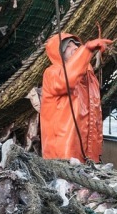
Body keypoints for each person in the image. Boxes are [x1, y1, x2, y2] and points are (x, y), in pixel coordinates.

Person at [40, 32, 112, 162]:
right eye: (68, 46)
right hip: (62, 153)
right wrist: (86, 49)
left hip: (88, 153)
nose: (74, 48)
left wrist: (96, 152)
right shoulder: (52, 73)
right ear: (59, 53)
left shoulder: (89, 76)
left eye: (76, 45)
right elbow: (66, 81)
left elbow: (95, 115)